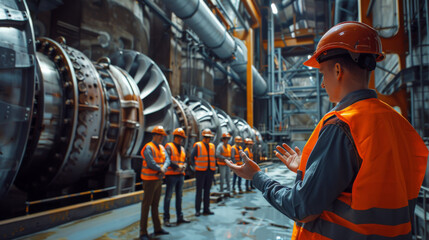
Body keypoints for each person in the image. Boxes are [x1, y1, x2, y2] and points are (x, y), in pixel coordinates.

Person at [226, 21, 428, 239]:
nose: (322, 84)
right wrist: (308, 169)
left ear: (338, 70)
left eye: (322, 74)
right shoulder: (400, 124)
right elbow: (369, 183)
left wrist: (256, 176)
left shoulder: (342, 125)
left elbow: (300, 207)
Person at [140, 126, 171, 240]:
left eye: (162, 136)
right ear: (154, 135)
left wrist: (163, 168)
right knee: (146, 206)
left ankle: (157, 228)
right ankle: (143, 232)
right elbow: (150, 162)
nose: (162, 138)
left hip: (158, 179)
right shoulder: (148, 147)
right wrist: (160, 168)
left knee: (155, 205)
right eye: (160, 135)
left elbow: (168, 159)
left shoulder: (162, 148)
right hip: (149, 180)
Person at [163, 128, 191, 227]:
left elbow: (185, 160)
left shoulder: (182, 148)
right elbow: (168, 160)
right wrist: (177, 166)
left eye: (182, 138)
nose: (181, 139)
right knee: (168, 197)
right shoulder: (169, 147)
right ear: (175, 137)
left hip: (180, 175)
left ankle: (180, 217)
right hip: (171, 175)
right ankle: (166, 219)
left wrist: (184, 166)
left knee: (179, 196)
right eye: (180, 137)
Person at [190, 128, 216, 216]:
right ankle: (197, 210)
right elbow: (191, 157)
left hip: (209, 171)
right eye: (207, 137)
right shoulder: (198, 145)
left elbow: (213, 158)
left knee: (207, 191)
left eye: (209, 137)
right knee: (199, 191)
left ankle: (206, 209)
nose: (208, 139)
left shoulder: (212, 146)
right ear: (204, 137)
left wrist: (213, 171)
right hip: (200, 172)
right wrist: (195, 167)